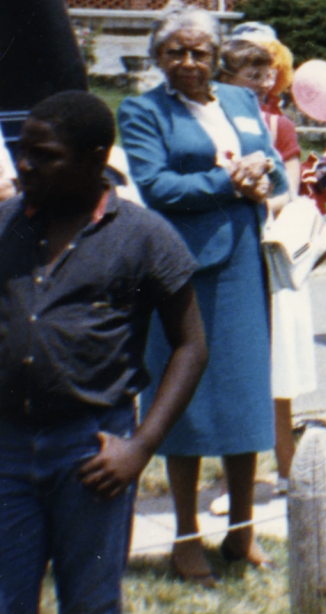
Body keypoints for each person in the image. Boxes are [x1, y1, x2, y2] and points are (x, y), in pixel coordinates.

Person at [0, 91, 208, 614]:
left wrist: (140, 447)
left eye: (44, 155)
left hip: (92, 450)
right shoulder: (5, 225)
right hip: (6, 445)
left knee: (90, 602)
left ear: (96, 158)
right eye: (22, 151)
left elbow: (191, 345)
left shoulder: (143, 236)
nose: (24, 165)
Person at [118, 3, 287, 583]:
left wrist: (264, 178)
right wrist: (229, 181)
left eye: (201, 52)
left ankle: (242, 531)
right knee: (185, 400)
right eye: (176, 52)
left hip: (244, 265)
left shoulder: (240, 101)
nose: (190, 62)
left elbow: (278, 173)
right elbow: (157, 185)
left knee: (243, 399)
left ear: (217, 57)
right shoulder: (143, 111)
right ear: (158, 57)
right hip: (182, 269)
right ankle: (186, 537)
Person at [218, 37, 312, 504]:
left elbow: (288, 191)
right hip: (229, 252)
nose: (261, 82)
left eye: (266, 72)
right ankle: (235, 480)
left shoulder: (279, 125)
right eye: (250, 74)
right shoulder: (214, 127)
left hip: (270, 252)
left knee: (278, 369)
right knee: (233, 368)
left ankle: (286, 469)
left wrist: (247, 199)